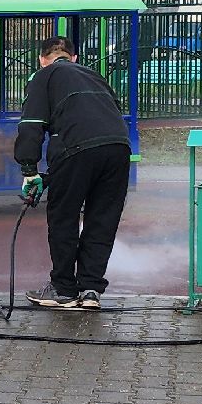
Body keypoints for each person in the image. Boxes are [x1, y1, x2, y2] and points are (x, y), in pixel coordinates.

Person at [14, 35, 133, 309]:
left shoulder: (43, 76)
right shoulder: (95, 76)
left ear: (43, 59)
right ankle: (91, 289)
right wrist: (50, 175)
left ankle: (63, 288)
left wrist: (29, 170)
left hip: (76, 148)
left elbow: (31, 124)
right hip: (117, 149)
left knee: (63, 217)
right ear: (74, 57)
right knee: (102, 220)